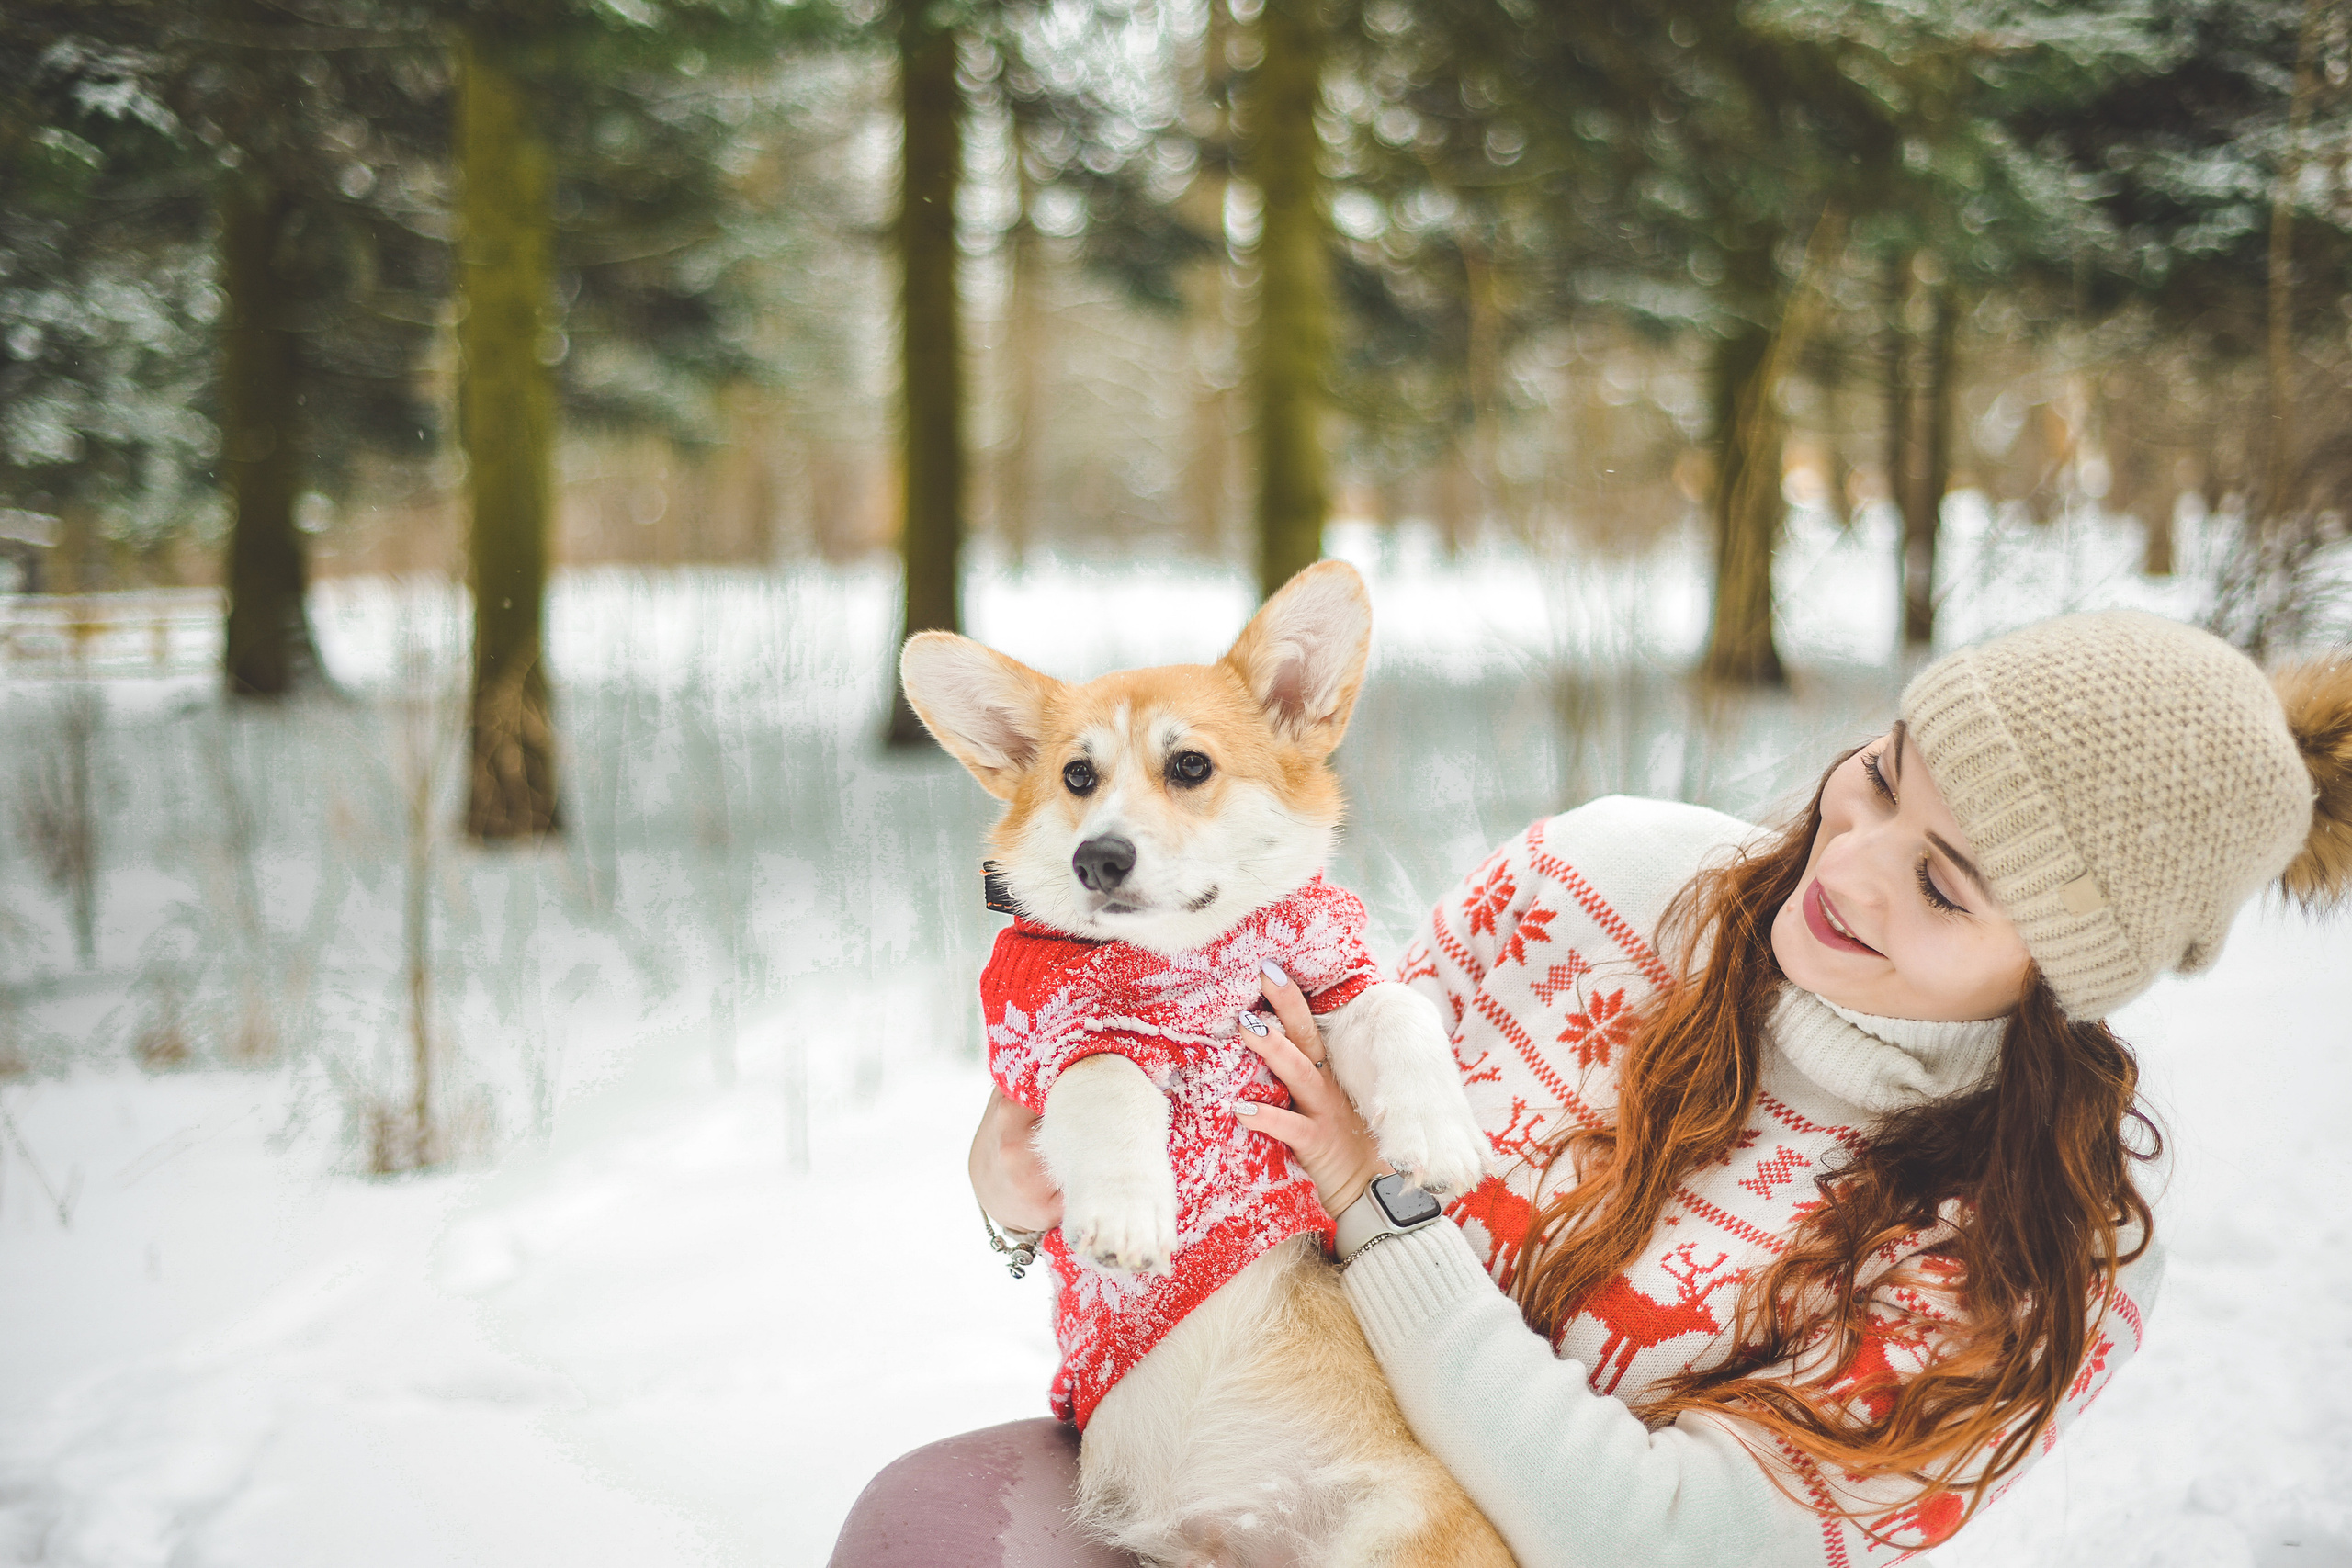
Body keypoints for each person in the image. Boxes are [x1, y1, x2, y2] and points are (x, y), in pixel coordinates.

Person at [830, 610, 2350, 1568]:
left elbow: (1671, 1545)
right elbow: (1259, 1088)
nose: (1849, 867)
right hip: (1262, 1444)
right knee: (924, 1529)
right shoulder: (1607, 878)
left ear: (2061, 972)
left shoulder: (2032, 1250)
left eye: (1945, 887)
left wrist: (1386, 1216)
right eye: (1878, 777)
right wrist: (1022, 1185)